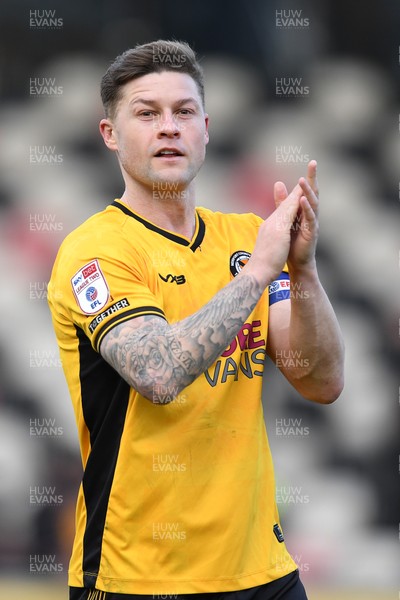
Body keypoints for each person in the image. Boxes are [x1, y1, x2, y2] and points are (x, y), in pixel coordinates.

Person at [48, 40, 344, 600]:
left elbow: (322, 381)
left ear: (206, 128)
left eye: (184, 112)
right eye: (146, 113)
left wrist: (302, 272)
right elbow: (158, 373)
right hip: (139, 577)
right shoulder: (95, 251)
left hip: (263, 571)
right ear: (109, 134)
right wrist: (259, 271)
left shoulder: (242, 239)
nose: (168, 128)